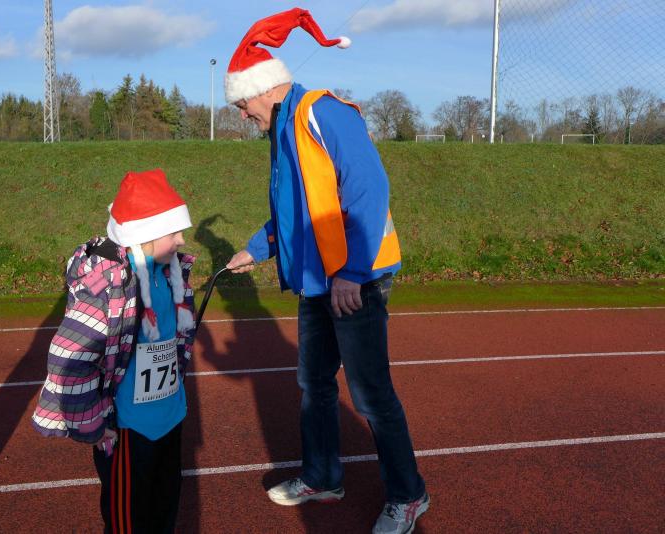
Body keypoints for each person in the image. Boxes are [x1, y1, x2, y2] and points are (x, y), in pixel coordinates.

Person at [223, 9, 428, 534]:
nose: (242, 115)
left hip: (354, 281)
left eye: (241, 105)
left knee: (370, 394)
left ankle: (408, 496)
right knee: (314, 384)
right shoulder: (282, 127)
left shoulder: (322, 111)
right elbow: (295, 210)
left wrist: (352, 273)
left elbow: (368, 189)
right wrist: (255, 249)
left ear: (262, 88)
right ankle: (322, 477)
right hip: (318, 283)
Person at [31, 169, 196, 533]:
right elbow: (68, 357)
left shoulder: (170, 274)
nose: (182, 240)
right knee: (129, 523)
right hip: (127, 429)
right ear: (145, 234)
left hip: (170, 418)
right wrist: (93, 426)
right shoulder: (108, 286)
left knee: (163, 515)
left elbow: (177, 342)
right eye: (173, 232)